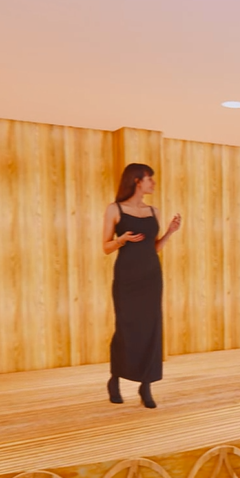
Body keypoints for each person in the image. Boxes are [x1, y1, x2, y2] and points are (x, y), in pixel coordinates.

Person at [102, 163, 181, 408]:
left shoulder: (153, 211)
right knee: (125, 328)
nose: (153, 183)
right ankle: (115, 378)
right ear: (137, 181)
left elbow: (153, 248)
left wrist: (169, 232)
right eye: (150, 179)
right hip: (127, 277)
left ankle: (145, 385)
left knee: (151, 328)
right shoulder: (115, 209)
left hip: (151, 276)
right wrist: (122, 240)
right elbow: (106, 247)